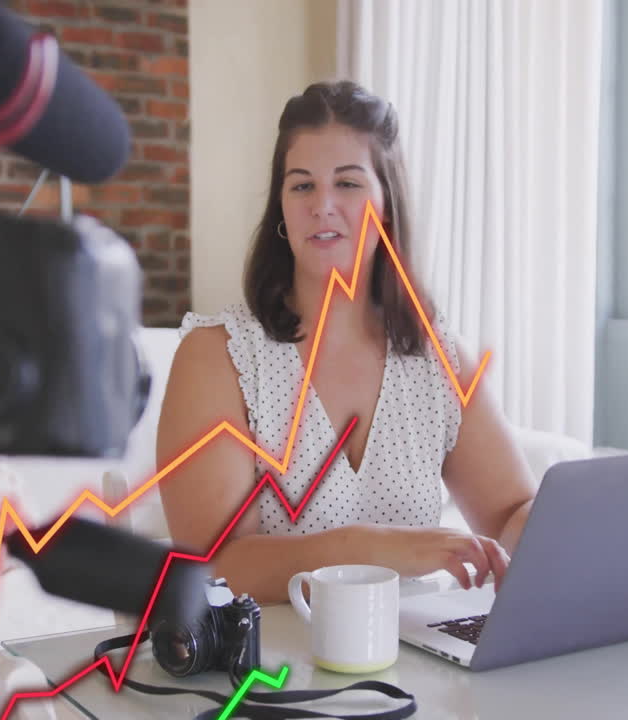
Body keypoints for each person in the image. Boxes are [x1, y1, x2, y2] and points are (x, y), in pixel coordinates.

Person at [156, 80, 537, 605]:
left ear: (386, 205)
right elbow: (212, 565)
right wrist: (373, 549)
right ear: (282, 212)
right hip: (268, 673)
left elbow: (512, 515)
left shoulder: (439, 357)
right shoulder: (216, 356)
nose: (323, 205)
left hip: (415, 664)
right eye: (302, 185)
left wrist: (575, 525)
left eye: (349, 184)